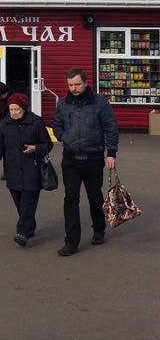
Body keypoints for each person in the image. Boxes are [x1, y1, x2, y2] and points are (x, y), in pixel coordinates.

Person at [53, 68, 118, 257]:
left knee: (94, 197)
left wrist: (111, 153)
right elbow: (57, 126)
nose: (73, 88)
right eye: (70, 85)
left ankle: (99, 229)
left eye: (77, 84)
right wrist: (65, 137)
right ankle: (71, 242)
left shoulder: (100, 103)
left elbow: (111, 128)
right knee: (70, 199)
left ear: (86, 82)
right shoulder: (63, 104)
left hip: (94, 157)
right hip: (71, 158)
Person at [0, 93, 53, 247]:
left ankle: (22, 232)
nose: (13, 112)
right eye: (11, 109)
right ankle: (29, 226)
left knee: (28, 202)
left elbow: (48, 144)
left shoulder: (36, 122)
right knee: (20, 203)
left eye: (17, 109)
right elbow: (0, 144)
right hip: (12, 169)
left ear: (24, 108)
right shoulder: (5, 124)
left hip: (32, 169)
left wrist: (35, 148)